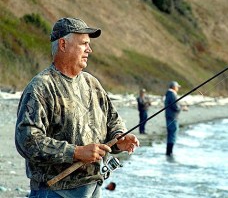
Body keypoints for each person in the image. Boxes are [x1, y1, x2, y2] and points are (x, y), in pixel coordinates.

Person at [15, 17, 139, 198]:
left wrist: (119, 139)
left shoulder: (92, 83)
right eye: (84, 44)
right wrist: (76, 153)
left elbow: (113, 121)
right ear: (63, 44)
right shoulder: (41, 87)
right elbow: (26, 141)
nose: (90, 49)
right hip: (54, 192)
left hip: (94, 188)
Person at [164, 81, 181, 156]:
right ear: (174, 87)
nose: (178, 89)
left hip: (169, 117)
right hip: (172, 118)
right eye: (177, 87)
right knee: (172, 134)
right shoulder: (172, 94)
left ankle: (169, 152)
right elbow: (176, 107)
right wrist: (181, 108)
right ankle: (169, 152)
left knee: (170, 134)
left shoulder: (168, 94)